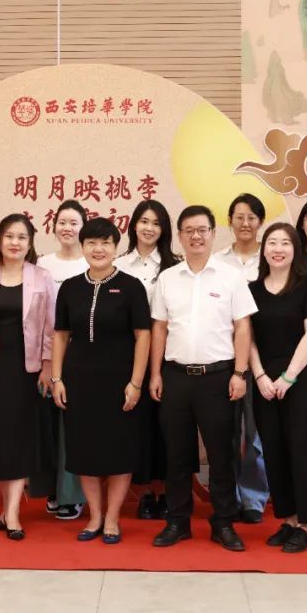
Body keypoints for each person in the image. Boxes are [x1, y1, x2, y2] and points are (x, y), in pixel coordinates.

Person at [149, 205, 257, 552]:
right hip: (176, 377)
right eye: (189, 231)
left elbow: (243, 327)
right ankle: (178, 521)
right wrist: (155, 373)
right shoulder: (168, 278)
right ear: (180, 236)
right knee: (176, 453)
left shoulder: (231, 276)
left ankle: (223, 522)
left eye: (202, 230)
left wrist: (240, 372)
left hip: (219, 377)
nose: (196, 236)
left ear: (213, 234)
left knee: (222, 454)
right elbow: (159, 328)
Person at [51, 218, 151, 544]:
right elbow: (60, 335)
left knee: (120, 451)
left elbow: (143, 335)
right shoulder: (70, 287)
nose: (98, 249)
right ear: (82, 247)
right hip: (79, 381)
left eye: (106, 242)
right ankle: (94, 516)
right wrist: (57, 378)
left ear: (116, 247)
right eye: (92, 242)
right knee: (85, 452)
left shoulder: (131, 286)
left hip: (120, 382)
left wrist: (136, 382)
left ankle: (112, 518)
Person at [0, 213, 56, 540]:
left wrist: (48, 365)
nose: (15, 242)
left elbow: (51, 327)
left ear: (30, 243)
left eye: (21, 237)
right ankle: (7, 509)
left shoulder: (42, 277)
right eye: (9, 236)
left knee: (20, 439)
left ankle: (14, 513)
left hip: (27, 370)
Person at [246, 222, 307, 553]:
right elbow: (247, 337)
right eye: (272, 243)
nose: (278, 249)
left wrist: (288, 377)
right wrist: (260, 376)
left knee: (304, 450)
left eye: (285, 243)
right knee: (274, 450)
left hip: (301, 379)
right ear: (264, 249)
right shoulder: (252, 290)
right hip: (265, 381)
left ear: (295, 249)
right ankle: (289, 520)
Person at [115, 199, 180, 520]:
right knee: (136, 428)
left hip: (168, 357)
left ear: (164, 229)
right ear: (134, 225)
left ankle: (167, 493)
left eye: (156, 223)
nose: (149, 228)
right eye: (143, 221)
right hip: (127, 356)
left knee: (167, 427)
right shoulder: (119, 265)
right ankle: (144, 494)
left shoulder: (175, 266)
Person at [34, 199, 89, 521]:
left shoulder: (90, 263)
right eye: (62, 222)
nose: (67, 228)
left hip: (80, 356)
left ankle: (72, 495)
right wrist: (45, 361)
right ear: (54, 227)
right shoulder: (43, 265)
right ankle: (52, 489)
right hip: (46, 356)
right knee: (48, 427)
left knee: (74, 427)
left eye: (74, 222)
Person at [218, 193, 270, 525]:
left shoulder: (271, 258)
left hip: (262, 358)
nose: (245, 223)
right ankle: (228, 496)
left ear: (260, 222)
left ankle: (253, 497)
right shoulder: (217, 261)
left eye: (252, 217)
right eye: (239, 217)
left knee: (254, 433)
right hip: (224, 356)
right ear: (230, 222)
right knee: (225, 431)